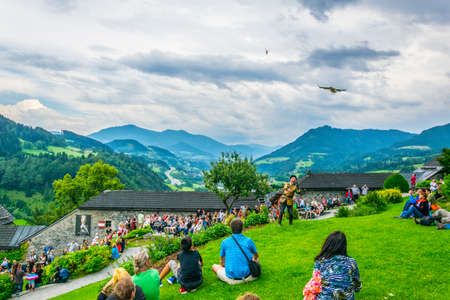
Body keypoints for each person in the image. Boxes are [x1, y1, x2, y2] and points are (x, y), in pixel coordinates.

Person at [310, 231, 361, 299]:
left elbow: (315, 284)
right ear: (344, 246)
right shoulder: (351, 262)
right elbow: (357, 287)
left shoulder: (320, 261)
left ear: (327, 245)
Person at [212, 218, 259, 285]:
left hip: (231, 279)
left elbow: (222, 262)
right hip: (248, 276)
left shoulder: (224, 242)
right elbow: (256, 256)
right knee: (256, 259)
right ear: (242, 228)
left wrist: (228, 265)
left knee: (214, 266)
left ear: (231, 229)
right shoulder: (249, 241)